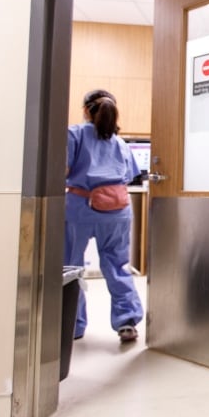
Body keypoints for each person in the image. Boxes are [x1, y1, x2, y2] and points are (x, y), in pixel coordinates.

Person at [65, 89, 144, 343]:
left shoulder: (75, 134)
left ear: (87, 110)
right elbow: (131, 174)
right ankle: (127, 322)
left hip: (81, 207)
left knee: (70, 267)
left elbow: (62, 169)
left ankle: (73, 326)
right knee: (117, 265)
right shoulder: (120, 142)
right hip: (118, 210)